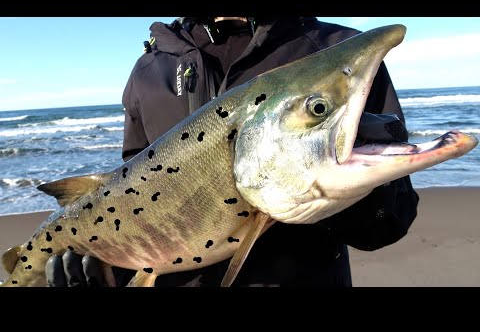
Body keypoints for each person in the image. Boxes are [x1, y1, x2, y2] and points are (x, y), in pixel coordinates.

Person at [45, 17, 419, 287]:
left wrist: (344, 184)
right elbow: (131, 188)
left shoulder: (334, 50)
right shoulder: (148, 69)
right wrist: (99, 270)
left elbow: (389, 223)